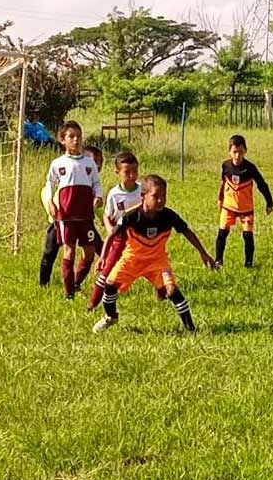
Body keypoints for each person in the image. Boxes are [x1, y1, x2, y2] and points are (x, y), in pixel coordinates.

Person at [94, 175, 219, 333]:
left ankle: (191, 330)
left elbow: (187, 232)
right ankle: (111, 317)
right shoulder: (131, 216)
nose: (160, 200)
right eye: (155, 196)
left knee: (172, 290)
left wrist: (203, 253)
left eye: (163, 196)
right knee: (110, 285)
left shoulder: (168, 215)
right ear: (143, 196)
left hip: (157, 261)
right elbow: (112, 234)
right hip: (132, 259)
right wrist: (103, 257)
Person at [44, 121, 103, 299]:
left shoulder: (89, 162)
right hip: (67, 216)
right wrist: (50, 201)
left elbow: (96, 182)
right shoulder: (58, 163)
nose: (76, 140)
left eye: (79, 136)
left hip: (86, 215)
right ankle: (69, 293)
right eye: (71, 136)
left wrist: (98, 196)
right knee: (69, 251)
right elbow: (50, 183)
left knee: (90, 252)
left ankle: (76, 283)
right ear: (63, 140)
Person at [88, 152, 142, 310]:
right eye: (127, 172)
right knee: (107, 268)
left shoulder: (143, 190)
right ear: (117, 172)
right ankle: (93, 303)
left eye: (135, 171)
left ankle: (163, 292)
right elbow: (107, 214)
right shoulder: (114, 194)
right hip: (121, 236)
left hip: (141, 237)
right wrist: (109, 228)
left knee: (151, 266)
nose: (131, 175)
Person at [215, 134, 273, 268]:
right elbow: (223, 183)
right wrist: (220, 199)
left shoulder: (250, 168)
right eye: (234, 152)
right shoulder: (225, 166)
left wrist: (269, 202)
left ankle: (248, 263)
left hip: (246, 209)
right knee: (222, 233)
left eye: (240, 152)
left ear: (245, 151)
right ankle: (218, 261)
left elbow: (261, 184)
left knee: (248, 235)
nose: (237, 156)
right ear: (229, 152)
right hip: (228, 206)